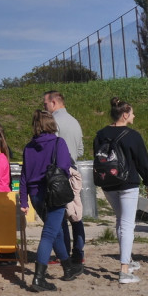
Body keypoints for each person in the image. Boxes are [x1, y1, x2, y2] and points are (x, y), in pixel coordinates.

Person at [94, 97, 148, 285]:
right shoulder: (133, 135)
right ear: (125, 114)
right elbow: (142, 162)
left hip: (107, 183)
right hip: (127, 183)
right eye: (132, 113)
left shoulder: (100, 134)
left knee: (121, 221)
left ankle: (127, 260)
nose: (134, 116)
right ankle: (124, 270)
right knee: (128, 224)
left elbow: (98, 158)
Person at [20, 110, 83, 291]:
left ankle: (68, 268)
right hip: (53, 193)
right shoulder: (58, 142)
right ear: (51, 124)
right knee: (49, 234)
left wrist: (24, 201)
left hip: (35, 196)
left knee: (55, 232)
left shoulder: (29, 147)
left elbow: (24, 176)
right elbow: (64, 167)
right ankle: (39, 278)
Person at [44, 90, 86, 265]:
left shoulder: (54, 122)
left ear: (54, 103)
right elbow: (81, 150)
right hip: (74, 170)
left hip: (59, 173)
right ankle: (79, 252)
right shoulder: (75, 121)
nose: (44, 107)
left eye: (45, 103)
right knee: (76, 213)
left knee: (60, 214)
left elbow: (51, 149)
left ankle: (64, 254)